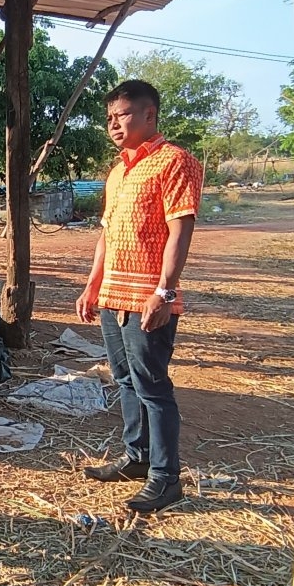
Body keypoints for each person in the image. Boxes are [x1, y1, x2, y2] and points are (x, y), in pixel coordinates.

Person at [76, 79, 201, 513]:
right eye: (109, 117)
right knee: (126, 381)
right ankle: (137, 457)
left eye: (122, 115)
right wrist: (94, 283)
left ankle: (167, 479)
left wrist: (164, 292)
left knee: (152, 385)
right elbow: (107, 233)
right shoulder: (118, 170)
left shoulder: (175, 162)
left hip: (149, 298)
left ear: (150, 114)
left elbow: (180, 231)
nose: (113, 124)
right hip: (113, 295)